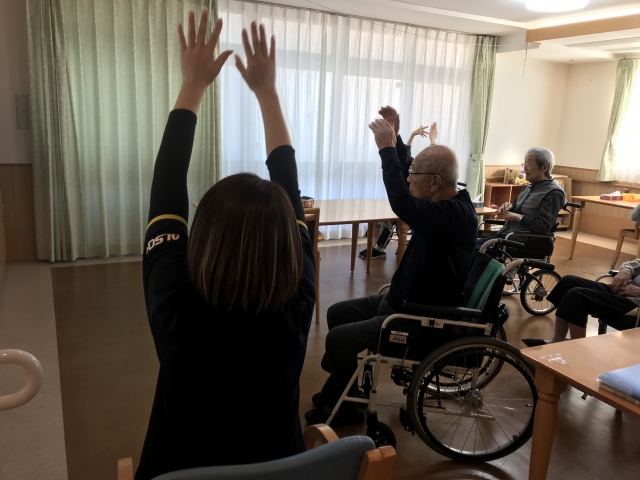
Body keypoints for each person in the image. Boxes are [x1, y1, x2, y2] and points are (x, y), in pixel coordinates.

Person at [136, 12, 315, 479]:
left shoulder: (173, 300)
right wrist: (267, 94)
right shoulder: (300, 294)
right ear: (288, 241)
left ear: (203, 237)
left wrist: (193, 85)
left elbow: (167, 184)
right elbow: (289, 185)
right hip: (282, 471)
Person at [305, 106, 477, 426]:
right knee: (337, 313)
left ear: (435, 182)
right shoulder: (441, 203)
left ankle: (342, 403)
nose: (408, 178)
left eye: (414, 175)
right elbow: (410, 186)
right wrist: (396, 139)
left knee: (338, 339)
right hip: (400, 301)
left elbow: (402, 203)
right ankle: (349, 391)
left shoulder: (453, 216)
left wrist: (386, 150)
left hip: (418, 318)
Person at [359, 122, 438, 260]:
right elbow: (405, 152)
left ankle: (379, 248)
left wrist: (432, 140)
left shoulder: (424, 175)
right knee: (381, 220)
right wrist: (412, 135)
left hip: (412, 207)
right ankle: (376, 247)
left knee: (389, 222)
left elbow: (433, 162)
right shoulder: (409, 165)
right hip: (405, 204)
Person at [522, 259, 640, 347]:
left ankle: (578, 351)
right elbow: (635, 263)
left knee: (578, 295)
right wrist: (627, 269)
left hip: (635, 305)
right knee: (567, 282)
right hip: (624, 290)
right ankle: (557, 340)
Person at [477, 147, 565, 254]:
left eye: (529, 164)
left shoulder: (554, 192)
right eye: (524, 164)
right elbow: (515, 208)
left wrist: (517, 217)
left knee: (471, 253)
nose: (525, 168)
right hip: (505, 236)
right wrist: (507, 207)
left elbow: (543, 226)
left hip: (522, 243)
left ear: (544, 167)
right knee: (466, 247)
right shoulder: (528, 187)